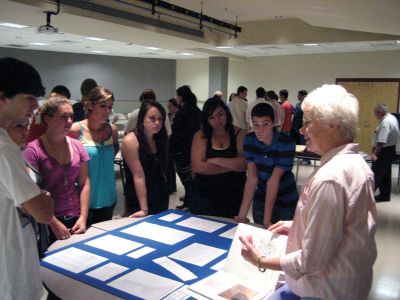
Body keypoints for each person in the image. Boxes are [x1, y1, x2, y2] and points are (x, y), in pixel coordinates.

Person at [239, 84, 377, 300]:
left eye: (307, 123)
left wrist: (259, 260)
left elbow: (310, 261)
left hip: (324, 290)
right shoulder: (355, 163)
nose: (302, 130)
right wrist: (299, 224)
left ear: (332, 125)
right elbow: (344, 223)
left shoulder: (330, 178)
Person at [0, 57, 53, 300]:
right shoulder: (3, 146)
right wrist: (43, 198)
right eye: (28, 98)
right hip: (12, 273)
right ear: (3, 97)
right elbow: (43, 213)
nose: (35, 105)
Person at [24, 95, 90, 243]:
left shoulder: (77, 145)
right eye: (63, 117)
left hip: (75, 216)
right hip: (47, 220)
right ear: (48, 119)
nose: (69, 121)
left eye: (71, 116)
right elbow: (33, 192)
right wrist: (52, 222)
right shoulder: (33, 150)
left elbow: (84, 182)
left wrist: (83, 217)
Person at [235, 103, 298, 228]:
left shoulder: (286, 143)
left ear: (273, 123)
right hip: (261, 198)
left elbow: (273, 180)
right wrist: (242, 216)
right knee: (259, 238)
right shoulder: (249, 140)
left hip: (285, 200)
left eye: (265, 124)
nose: (260, 130)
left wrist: (267, 220)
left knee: (281, 240)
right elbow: (252, 177)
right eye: (256, 125)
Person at [69, 86, 119, 225]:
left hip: (108, 197)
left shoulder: (111, 130)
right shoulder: (75, 130)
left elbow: (114, 150)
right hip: (83, 201)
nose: (107, 111)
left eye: (110, 107)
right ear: (90, 105)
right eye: (103, 106)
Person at [191, 96, 247, 217]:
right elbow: (198, 167)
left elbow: (243, 164)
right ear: (206, 120)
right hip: (204, 195)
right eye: (211, 117)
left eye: (220, 114)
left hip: (232, 196)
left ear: (226, 113)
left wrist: (214, 160)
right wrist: (231, 166)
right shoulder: (201, 136)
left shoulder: (240, 134)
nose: (217, 120)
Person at [122, 100, 169, 216]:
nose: (157, 122)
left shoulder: (160, 138)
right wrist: (144, 209)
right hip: (139, 197)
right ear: (142, 119)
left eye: (160, 119)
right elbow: (138, 176)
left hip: (160, 194)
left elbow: (162, 170)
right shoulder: (131, 140)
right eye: (152, 118)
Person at [170, 85, 202, 210]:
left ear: (181, 97)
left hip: (183, 150)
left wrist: (171, 150)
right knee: (192, 178)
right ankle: (190, 199)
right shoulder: (197, 110)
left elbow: (176, 132)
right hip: (196, 148)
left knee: (186, 178)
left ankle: (190, 201)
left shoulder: (183, 111)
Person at [371, 103, 399, 202]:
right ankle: (385, 195)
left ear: (380, 112)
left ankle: (367, 196)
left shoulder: (385, 122)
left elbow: (381, 140)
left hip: (383, 151)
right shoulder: (392, 118)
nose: (375, 115)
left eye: (376, 113)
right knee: (386, 174)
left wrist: (375, 153)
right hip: (390, 150)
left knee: (376, 173)